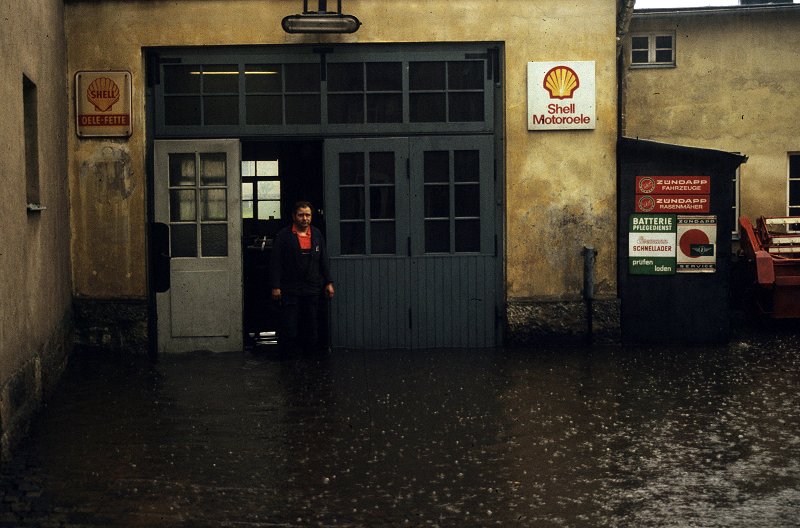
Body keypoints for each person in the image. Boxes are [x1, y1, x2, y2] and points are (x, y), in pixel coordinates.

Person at [269, 201, 334, 354]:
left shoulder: (316, 234)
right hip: (290, 287)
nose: (304, 218)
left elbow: (323, 260)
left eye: (308, 215)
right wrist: (275, 286)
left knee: (311, 324)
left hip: (312, 287)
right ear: (294, 216)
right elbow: (276, 262)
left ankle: (310, 357)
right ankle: (288, 358)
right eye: (301, 215)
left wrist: (329, 282)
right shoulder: (284, 236)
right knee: (290, 325)